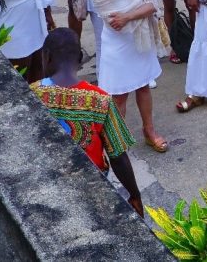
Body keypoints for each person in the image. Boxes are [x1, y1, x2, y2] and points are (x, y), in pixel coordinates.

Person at [30, 28, 143, 217]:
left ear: (46, 57)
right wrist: (134, 194)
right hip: (93, 181)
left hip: (48, 181)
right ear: (81, 58)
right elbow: (118, 156)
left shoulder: (32, 94)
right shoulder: (100, 100)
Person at [88, 0, 168, 153]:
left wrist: (127, 16)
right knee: (118, 94)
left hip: (139, 41)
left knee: (142, 86)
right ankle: (117, 139)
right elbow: (114, 22)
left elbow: (152, 5)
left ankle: (149, 131)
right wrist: (132, 15)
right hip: (116, 44)